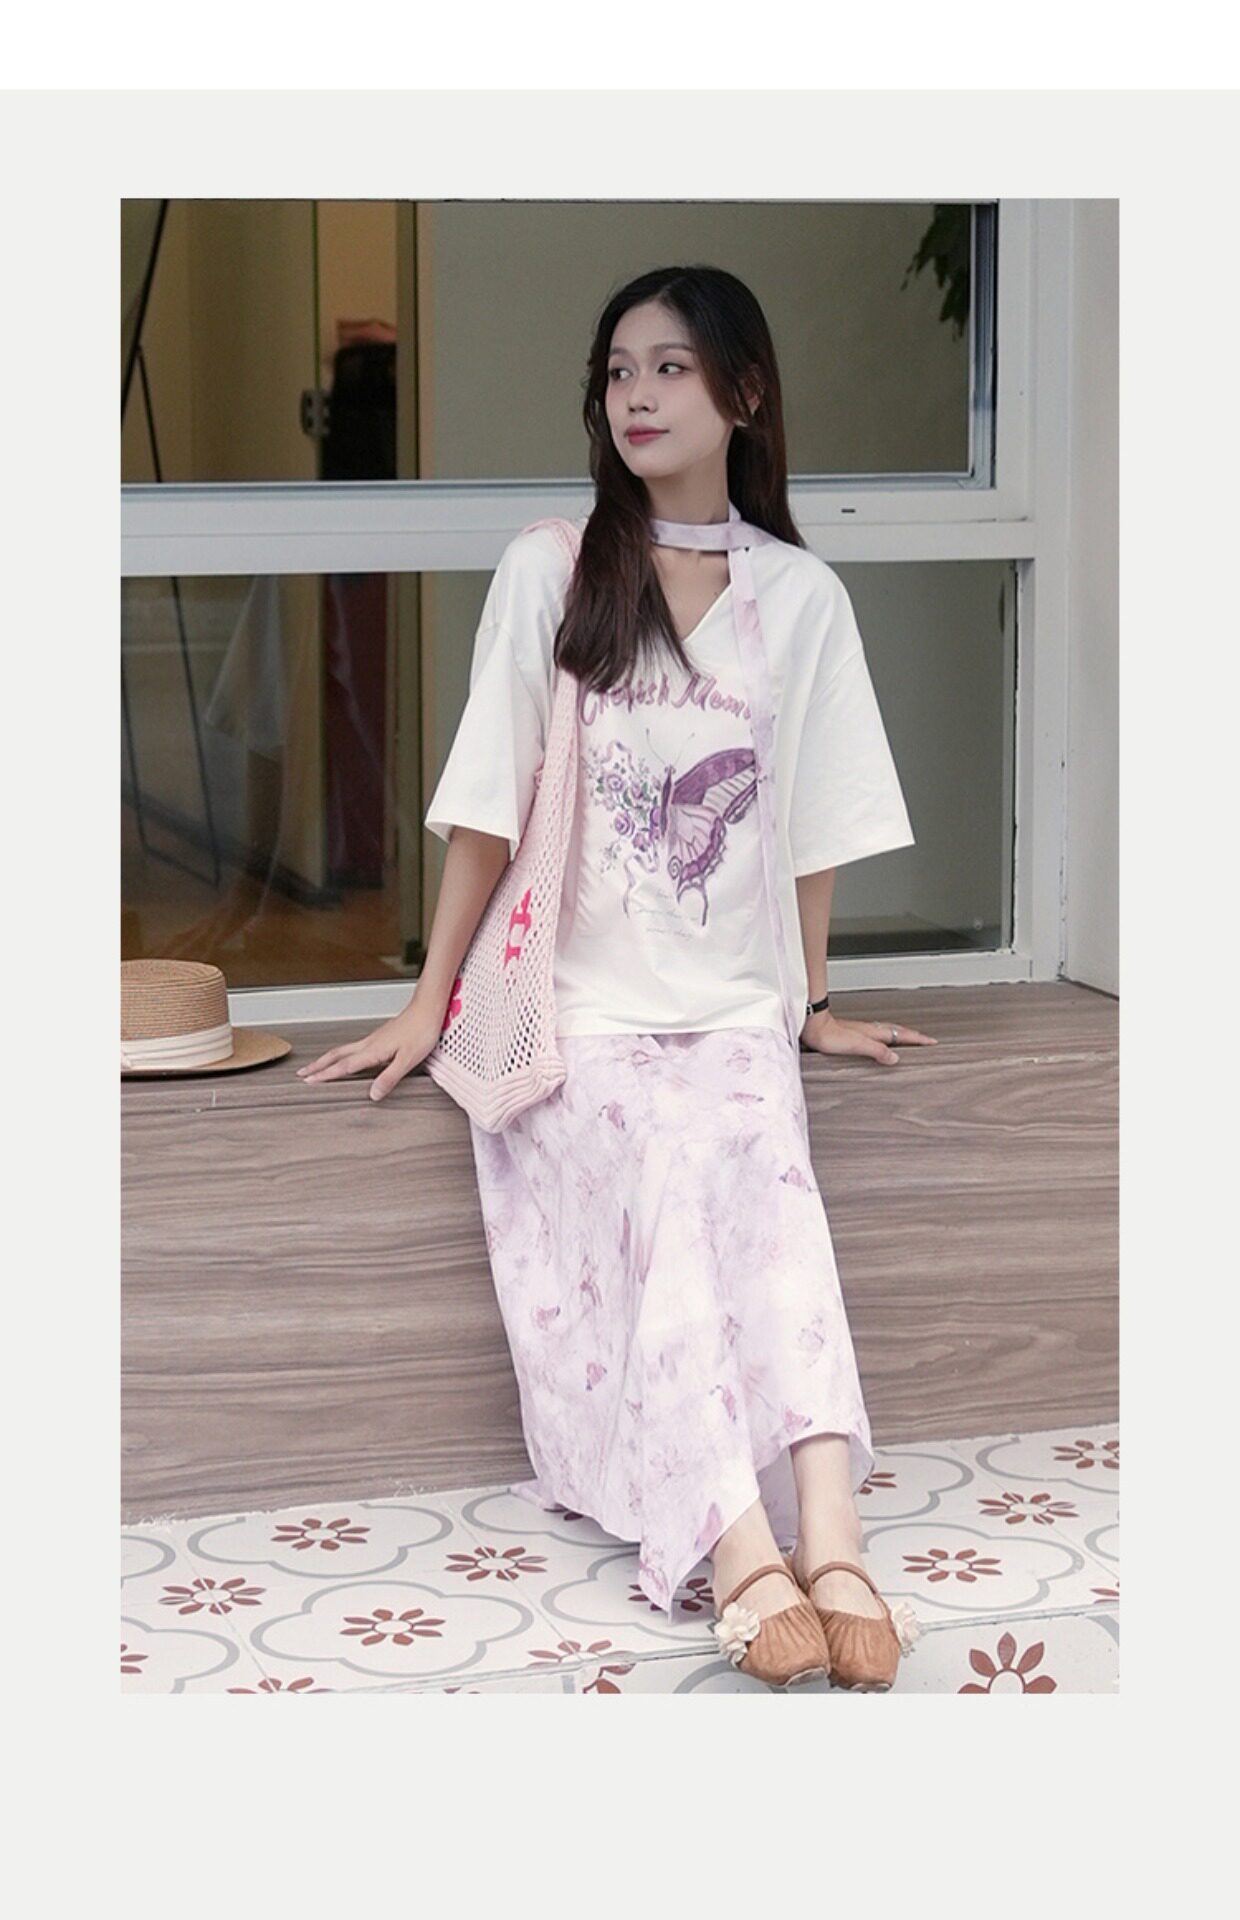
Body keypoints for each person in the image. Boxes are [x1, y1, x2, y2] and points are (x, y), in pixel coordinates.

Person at [298, 263, 936, 1690]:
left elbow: (814, 825)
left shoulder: (803, 599)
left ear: (744, 393)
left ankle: (833, 1539)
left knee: (769, 1167)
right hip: (580, 1015)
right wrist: (430, 1000)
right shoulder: (554, 567)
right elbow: (490, 805)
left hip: (732, 1007)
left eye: (670, 368)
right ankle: (741, 1552)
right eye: (617, 372)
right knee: (662, 1161)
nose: (636, 396)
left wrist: (812, 1004)